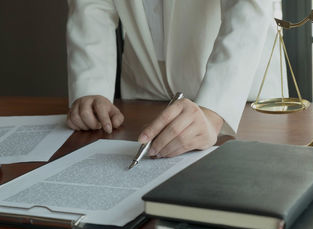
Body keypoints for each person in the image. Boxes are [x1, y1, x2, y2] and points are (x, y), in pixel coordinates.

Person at [66, 0, 285, 158]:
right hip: (144, 97)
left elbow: (246, 8)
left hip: (240, 103)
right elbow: (91, 8)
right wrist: (91, 88)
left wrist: (215, 109)